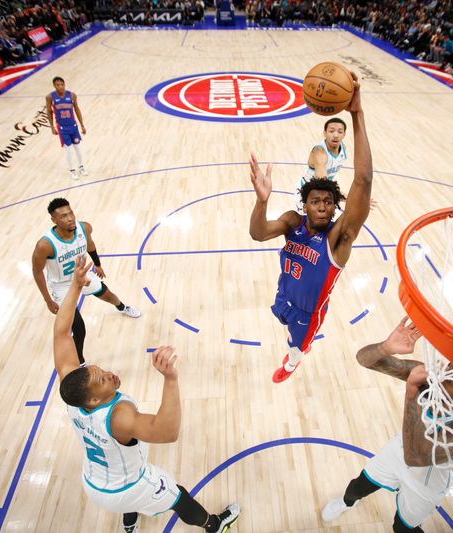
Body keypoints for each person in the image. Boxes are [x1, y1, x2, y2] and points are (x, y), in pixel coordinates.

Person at [53, 256, 240, 533]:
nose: (109, 374)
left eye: (101, 369)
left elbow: (61, 333)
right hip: (127, 485)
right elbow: (167, 432)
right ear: (93, 400)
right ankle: (214, 526)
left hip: (94, 478)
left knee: (124, 458)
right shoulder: (119, 417)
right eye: (102, 379)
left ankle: (130, 520)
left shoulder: (72, 388)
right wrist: (170, 379)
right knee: (178, 496)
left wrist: (76, 287)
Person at [248, 73, 373, 383]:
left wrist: (356, 114)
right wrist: (262, 201)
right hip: (282, 294)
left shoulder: (338, 239)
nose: (321, 205)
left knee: (296, 346)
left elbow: (363, 180)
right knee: (279, 316)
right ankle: (292, 347)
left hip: (308, 315)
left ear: (334, 208)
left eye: (328, 202)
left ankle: (292, 361)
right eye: (315, 200)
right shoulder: (293, 221)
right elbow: (258, 234)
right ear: (304, 205)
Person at [321, 317, 453, 532]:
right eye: (448, 367)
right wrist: (386, 347)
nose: (441, 375)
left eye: (450, 377)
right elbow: (364, 359)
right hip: (400, 450)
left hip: (426, 482)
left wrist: (412, 392)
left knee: (402, 528)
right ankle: (347, 502)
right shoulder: (431, 380)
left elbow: (416, 457)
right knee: (360, 484)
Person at [32, 198, 141, 365]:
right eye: (63, 216)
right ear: (53, 220)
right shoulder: (45, 245)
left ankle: (122, 307)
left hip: (83, 275)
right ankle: (80, 361)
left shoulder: (84, 228)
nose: (69, 218)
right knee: (79, 327)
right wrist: (48, 300)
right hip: (62, 287)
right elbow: (37, 271)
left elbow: (90, 245)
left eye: (70, 213)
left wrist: (97, 264)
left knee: (108, 294)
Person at [293, 117, 348, 213]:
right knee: (309, 225)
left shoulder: (343, 148)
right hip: (307, 194)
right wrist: (351, 199)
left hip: (324, 193)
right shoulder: (319, 152)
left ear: (344, 134)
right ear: (325, 133)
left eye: (340, 132)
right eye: (331, 131)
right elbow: (323, 184)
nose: (335, 135)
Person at [46, 76, 88, 180]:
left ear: (64, 84)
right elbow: (49, 112)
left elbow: (77, 109)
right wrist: (52, 127)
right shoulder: (50, 97)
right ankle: (72, 171)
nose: (60, 86)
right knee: (68, 149)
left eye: (62, 84)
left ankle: (81, 166)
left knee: (78, 147)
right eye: (58, 85)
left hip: (73, 126)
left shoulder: (72, 95)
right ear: (54, 86)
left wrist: (82, 125)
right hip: (62, 128)